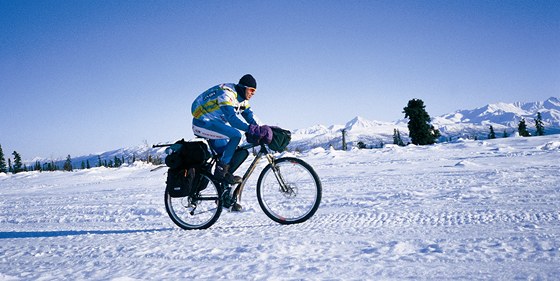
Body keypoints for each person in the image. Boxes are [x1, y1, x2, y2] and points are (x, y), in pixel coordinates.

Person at [191, 74, 272, 184]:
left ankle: (225, 195)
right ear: (243, 87)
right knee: (236, 135)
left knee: (227, 155)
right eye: (251, 90)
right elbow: (232, 120)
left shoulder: (242, 100)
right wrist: (251, 129)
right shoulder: (227, 93)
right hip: (202, 122)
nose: (253, 93)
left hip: (215, 123)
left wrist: (265, 129)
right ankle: (220, 171)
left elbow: (250, 116)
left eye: (255, 91)